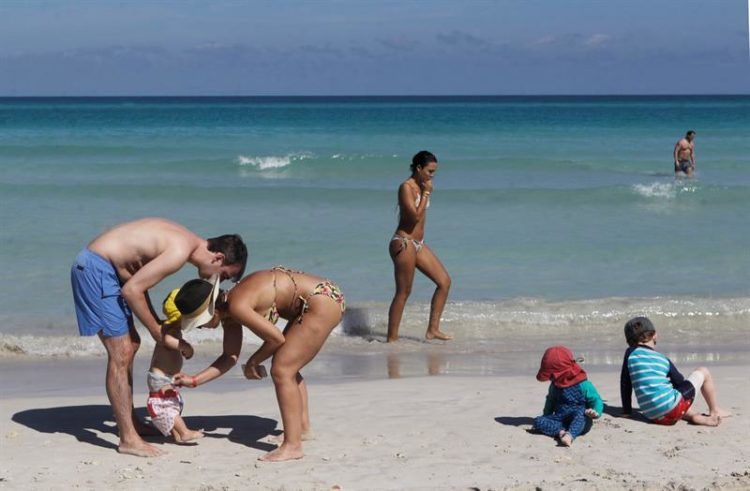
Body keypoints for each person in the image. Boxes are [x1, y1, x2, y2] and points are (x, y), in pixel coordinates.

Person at [70, 218, 247, 457]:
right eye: (224, 276)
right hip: (96, 268)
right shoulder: (179, 250)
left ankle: (130, 423)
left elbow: (137, 284)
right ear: (218, 258)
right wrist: (157, 331)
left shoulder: (184, 241)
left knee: (131, 345)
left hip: (109, 270)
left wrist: (158, 326)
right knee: (121, 352)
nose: (217, 282)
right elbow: (132, 290)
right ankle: (128, 438)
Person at [174, 266, 345, 462]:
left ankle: (292, 446)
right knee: (287, 364)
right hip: (321, 298)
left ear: (211, 311)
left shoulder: (237, 306)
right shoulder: (230, 311)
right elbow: (229, 356)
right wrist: (194, 380)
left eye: (198, 322)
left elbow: (276, 338)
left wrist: (253, 362)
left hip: (322, 300)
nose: (201, 328)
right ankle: (302, 429)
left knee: (282, 369)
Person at [387, 150, 452, 342]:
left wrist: (425, 191)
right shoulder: (406, 187)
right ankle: (391, 339)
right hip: (404, 243)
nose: (432, 175)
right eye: (430, 171)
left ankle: (433, 329)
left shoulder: (423, 186)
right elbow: (413, 216)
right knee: (404, 292)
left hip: (419, 244)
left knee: (444, 282)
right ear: (418, 168)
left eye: (434, 172)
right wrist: (425, 194)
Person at [620, 316, 730, 426]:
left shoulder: (630, 354)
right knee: (703, 371)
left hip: (653, 416)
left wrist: (627, 411)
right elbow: (679, 381)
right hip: (673, 411)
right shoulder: (663, 359)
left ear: (629, 341)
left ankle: (693, 416)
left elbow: (625, 383)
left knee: (672, 402)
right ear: (654, 335)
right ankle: (714, 410)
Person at [144, 282, 212, 443]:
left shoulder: (175, 329)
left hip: (165, 377)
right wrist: (185, 346)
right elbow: (167, 341)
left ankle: (177, 435)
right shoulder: (169, 331)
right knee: (168, 406)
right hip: (160, 378)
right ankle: (185, 432)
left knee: (171, 404)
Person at [532, 346, 603, 446]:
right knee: (537, 421)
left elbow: (596, 400)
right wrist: (546, 417)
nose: (551, 379)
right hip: (560, 419)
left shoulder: (583, 384)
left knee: (582, 414)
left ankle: (570, 435)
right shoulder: (554, 385)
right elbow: (550, 401)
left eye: (552, 376)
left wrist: (595, 412)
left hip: (579, 420)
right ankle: (561, 432)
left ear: (562, 372)